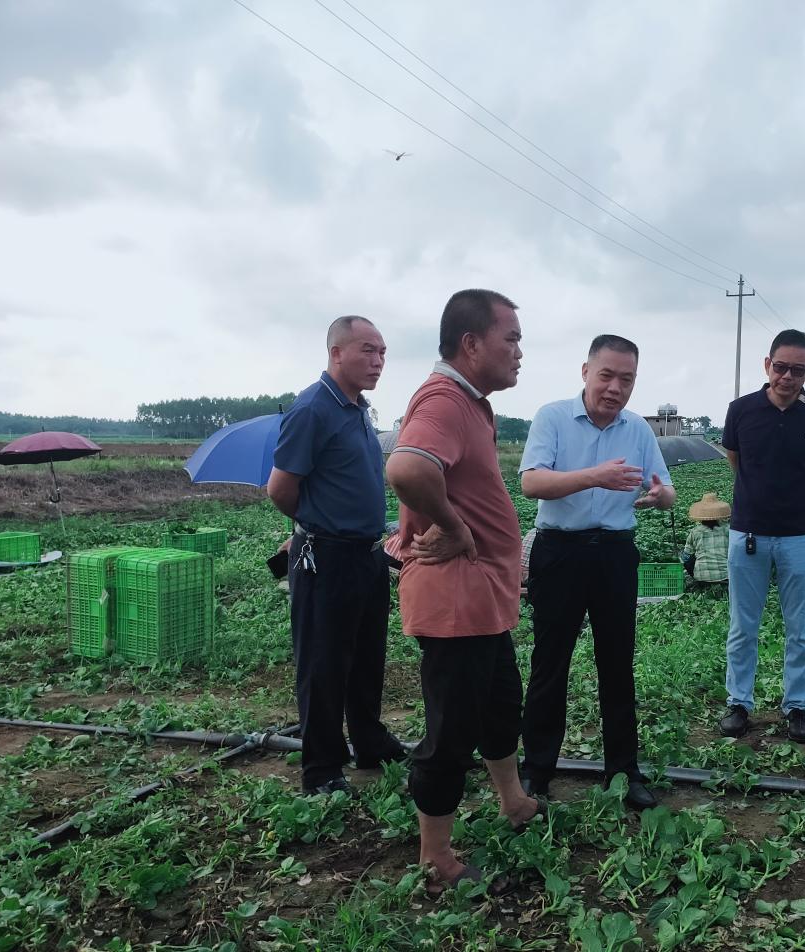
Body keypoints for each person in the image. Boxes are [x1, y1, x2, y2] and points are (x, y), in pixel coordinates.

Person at [385, 289, 541, 892]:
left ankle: (513, 801)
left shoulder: (473, 403)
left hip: (483, 600)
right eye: (512, 338)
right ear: (471, 344)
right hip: (454, 604)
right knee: (450, 732)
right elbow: (407, 467)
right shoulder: (445, 400)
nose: (520, 351)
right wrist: (453, 527)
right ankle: (436, 859)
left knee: (500, 706)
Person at [519, 335, 675, 811]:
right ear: (585, 371)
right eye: (606, 375)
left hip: (614, 554)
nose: (615, 387)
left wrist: (659, 496)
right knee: (550, 663)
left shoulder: (638, 429)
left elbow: (666, 489)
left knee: (617, 663)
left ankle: (623, 772)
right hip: (559, 552)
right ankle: (536, 770)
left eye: (626, 379)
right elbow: (531, 482)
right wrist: (594, 476)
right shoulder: (552, 417)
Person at [267, 316, 407, 796]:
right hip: (326, 556)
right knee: (323, 664)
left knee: (367, 655)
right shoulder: (313, 409)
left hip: (367, 554)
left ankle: (368, 740)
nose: (378, 361)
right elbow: (281, 489)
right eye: (368, 350)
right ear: (336, 353)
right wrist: (317, 525)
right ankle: (322, 768)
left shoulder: (357, 409)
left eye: (383, 352)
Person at [718, 329, 805, 743]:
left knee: (801, 627)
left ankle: (798, 706)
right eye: (781, 367)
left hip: (799, 535)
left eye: (797, 370)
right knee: (742, 624)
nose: (787, 376)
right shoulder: (741, 410)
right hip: (748, 532)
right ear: (767, 364)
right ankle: (739, 702)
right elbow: (736, 460)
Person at [681, 492, 731, 584]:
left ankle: (702, 577)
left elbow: (686, 556)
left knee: (688, 557)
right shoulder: (728, 529)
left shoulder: (695, 531)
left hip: (701, 578)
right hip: (726, 576)